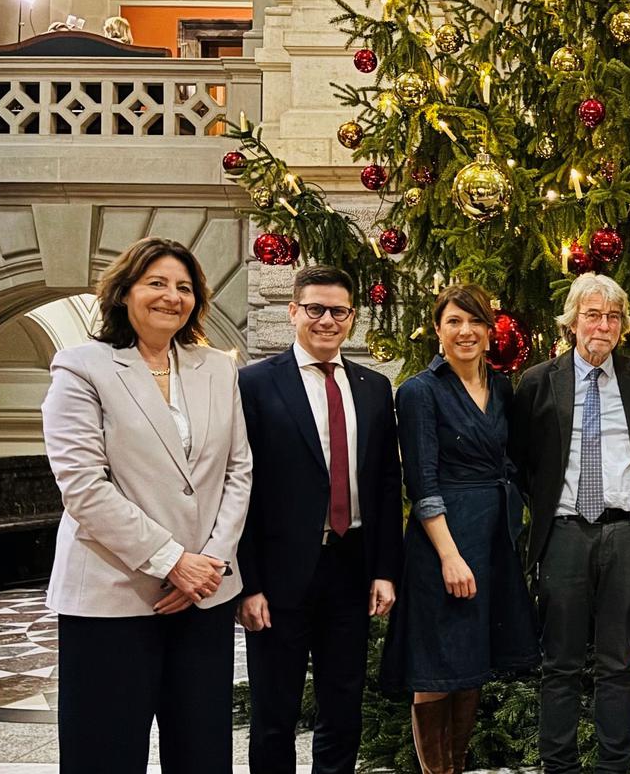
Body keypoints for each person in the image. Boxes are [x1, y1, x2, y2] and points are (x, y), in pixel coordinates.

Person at [41, 237, 251, 773]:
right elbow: (84, 486)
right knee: (105, 754)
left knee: (202, 753)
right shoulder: (82, 367)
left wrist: (209, 564)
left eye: (184, 287)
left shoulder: (217, 369)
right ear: (125, 291)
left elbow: (238, 469)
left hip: (202, 596)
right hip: (113, 594)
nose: (171, 297)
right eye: (156, 283)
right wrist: (172, 562)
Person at [237, 265, 404, 774]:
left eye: (339, 311)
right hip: (279, 575)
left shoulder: (374, 388)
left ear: (351, 318)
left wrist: (384, 569)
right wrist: (249, 584)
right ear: (293, 312)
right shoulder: (254, 384)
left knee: (342, 708)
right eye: (315, 309)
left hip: (351, 568)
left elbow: (384, 483)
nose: (327, 320)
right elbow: (239, 489)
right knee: (275, 713)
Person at [382, 283, 540, 774]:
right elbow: (422, 482)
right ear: (437, 331)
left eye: (475, 322)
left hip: (491, 539)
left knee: (472, 663)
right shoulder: (418, 392)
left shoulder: (502, 389)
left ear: (491, 333)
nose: (465, 331)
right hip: (442, 544)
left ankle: (458, 765)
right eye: (454, 321)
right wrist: (449, 555)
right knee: (436, 665)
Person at [510, 273, 630, 773]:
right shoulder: (537, 382)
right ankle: (560, 766)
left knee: (618, 662)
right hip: (565, 535)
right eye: (593, 314)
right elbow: (522, 461)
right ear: (573, 320)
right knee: (561, 664)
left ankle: (615, 765)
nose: (603, 325)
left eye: (613, 316)